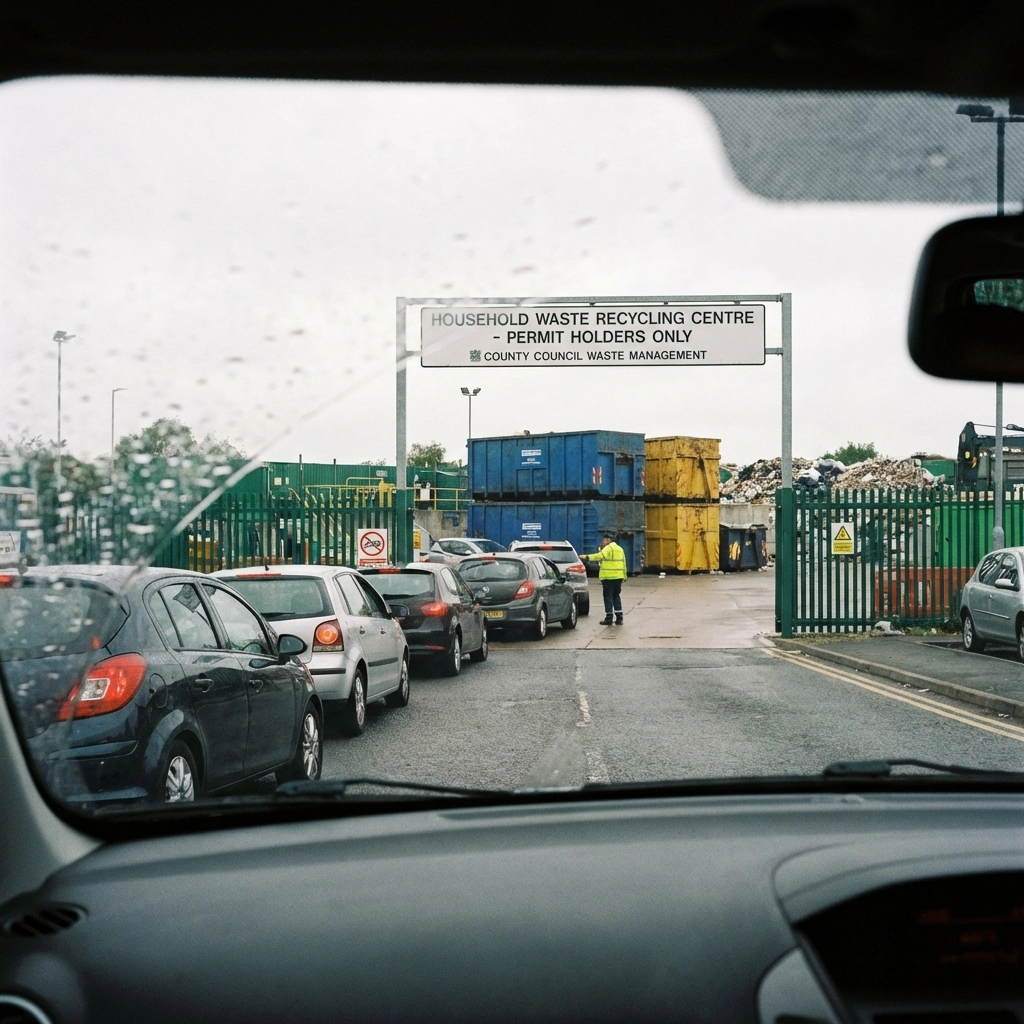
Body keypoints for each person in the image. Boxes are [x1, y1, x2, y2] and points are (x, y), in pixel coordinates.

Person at [581, 534, 628, 625]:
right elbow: (624, 563)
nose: (604, 542)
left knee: (608, 597)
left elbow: (599, 556)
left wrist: (587, 557)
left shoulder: (608, 548)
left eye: (605, 540)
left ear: (609, 540)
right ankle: (619, 618)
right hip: (618, 577)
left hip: (608, 577)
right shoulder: (620, 549)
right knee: (616, 596)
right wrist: (624, 576)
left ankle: (609, 618)